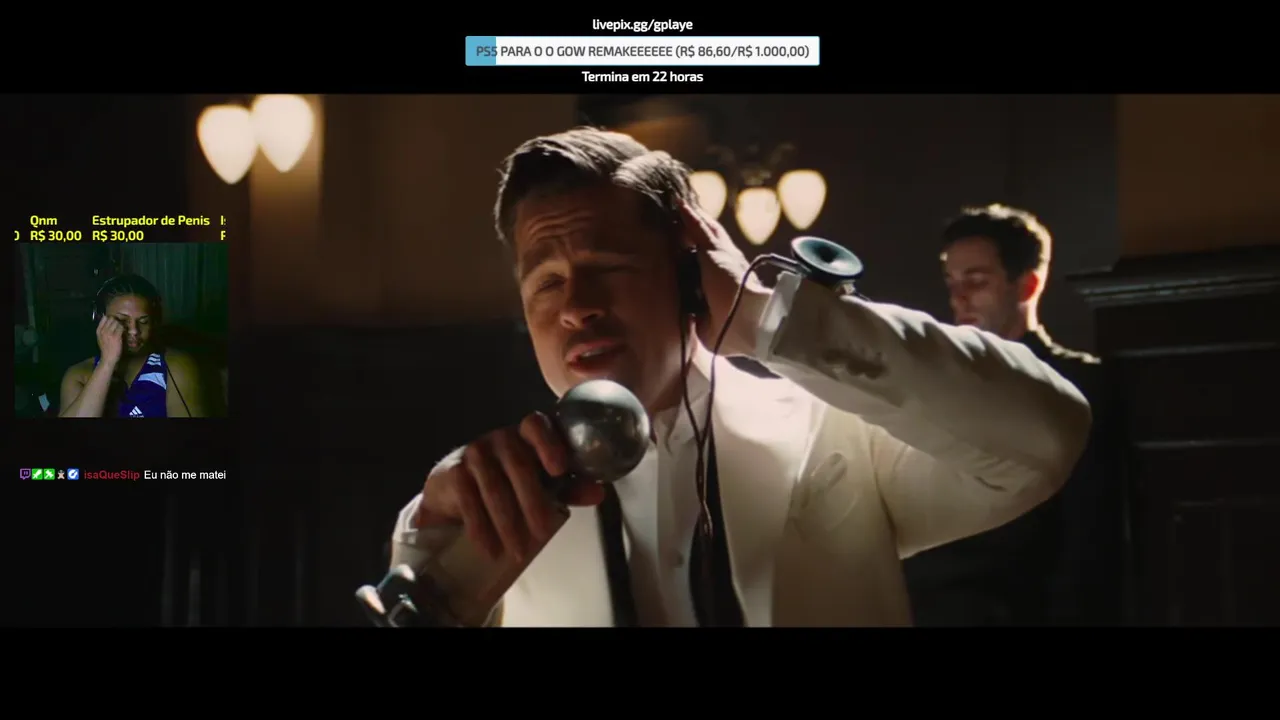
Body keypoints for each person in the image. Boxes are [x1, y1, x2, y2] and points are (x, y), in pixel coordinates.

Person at [386, 129, 1092, 627]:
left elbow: (1043, 436)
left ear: (692, 274)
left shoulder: (835, 433)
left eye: (608, 267)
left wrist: (771, 315)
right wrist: (429, 555)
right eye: (547, 282)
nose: (576, 308)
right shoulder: (486, 505)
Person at [904, 203, 1123, 625]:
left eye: (976, 281)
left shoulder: (1078, 381)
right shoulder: (946, 382)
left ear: (1027, 285)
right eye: (951, 282)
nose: (958, 298)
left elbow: (1090, 528)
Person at [58, 273, 205, 418]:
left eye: (143, 322)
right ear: (99, 319)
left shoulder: (176, 367)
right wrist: (107, 363)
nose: (134, 331)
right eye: (122, 321)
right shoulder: (78, 375)